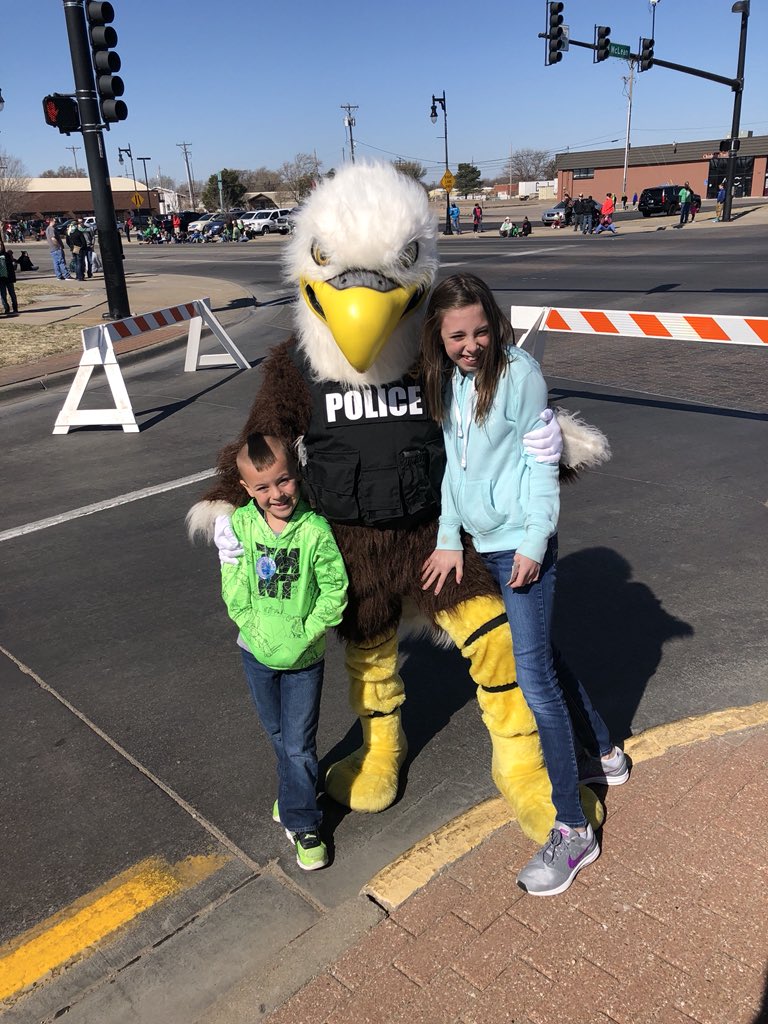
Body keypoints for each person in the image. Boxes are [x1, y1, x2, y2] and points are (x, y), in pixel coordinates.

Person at [420, 273, 628, 897]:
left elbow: (541, 469)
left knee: (534, 679)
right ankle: (605, 755)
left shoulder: (520, 377)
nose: (472, 344)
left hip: (521, 545)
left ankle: (573, 830)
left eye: (481, 330)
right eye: (458, 335)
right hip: (483, 544)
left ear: (495, 322)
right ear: (439, 335)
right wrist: (449, 538)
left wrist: (535, 545)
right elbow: (457, 469)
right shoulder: (453, 382)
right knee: (542, 653)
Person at [217, 433, 348, 871]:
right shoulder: (240, 526)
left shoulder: (314, 531)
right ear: (246, 488)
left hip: (304, 661)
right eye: (263, 487)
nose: (277, 494)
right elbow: (233, 580)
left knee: (297, 745)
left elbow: (334, 589)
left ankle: (305, 823)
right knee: (279, 737)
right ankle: (294, 794)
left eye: (283, 481)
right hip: (255, 653)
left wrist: (308, 632)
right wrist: (251, 627)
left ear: (295, 474)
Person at [0, 247, 19, 316]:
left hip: (9, 278)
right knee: (3, 295)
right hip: (1, 279)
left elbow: (13, 265)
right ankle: (6, 308)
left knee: (12, 294)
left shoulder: (7, 255)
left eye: (1, 245)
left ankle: (15, 308)